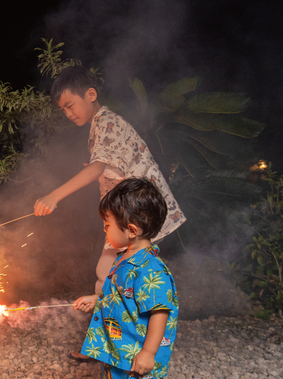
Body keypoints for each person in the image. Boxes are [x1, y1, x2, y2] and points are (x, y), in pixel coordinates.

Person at [34, 65, 185, 362]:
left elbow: (98, 167)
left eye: (70, 105)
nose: (68, 113)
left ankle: (129, 347)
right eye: (62, 110)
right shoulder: (100, 125)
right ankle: (107, 343)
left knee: (119, 275)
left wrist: (54, 195)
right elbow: (110, 165)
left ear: (90, 94)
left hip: (139, 217)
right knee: (109, 274)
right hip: (127, 216)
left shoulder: (108, 123)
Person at [72, 178, 179, 379]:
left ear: (131, 229)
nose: (104, 228)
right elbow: (122, 296)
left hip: (136, 357)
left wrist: (148, 353)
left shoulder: (151, 269)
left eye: (107, 224)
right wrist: (96, 299)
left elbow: (159, 312)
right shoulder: (124, 257)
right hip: (117, 352)